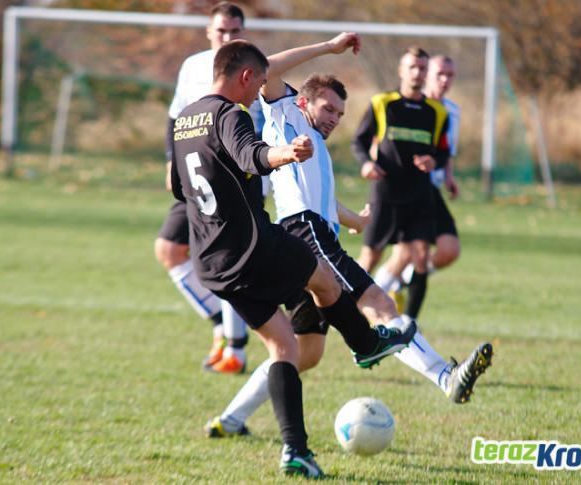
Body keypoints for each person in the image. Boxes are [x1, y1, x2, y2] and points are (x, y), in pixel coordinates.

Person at [203, 39, 493, 440]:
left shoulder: (313, 146)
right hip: (308, 236)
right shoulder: (285, 111)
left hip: (305, 235)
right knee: (379, 304)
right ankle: (446, 377)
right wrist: (330, 47)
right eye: (328, 108)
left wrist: (354, 219)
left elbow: (317, 196)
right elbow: (267, 65)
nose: (335, 118)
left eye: (340, 113)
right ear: (303, 102)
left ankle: (230, 418)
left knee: (305, 352)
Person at [170, 39, 416, 478]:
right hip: (249, 244)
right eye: (257, 82)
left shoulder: (186, 119)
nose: (259, 90)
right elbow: (254, 155)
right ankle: (366, 343)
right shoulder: (229, 113)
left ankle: (296, 451)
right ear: (245, 78)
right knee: (322, 278)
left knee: (284, 346)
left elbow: (177, 184)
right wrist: (286, 153)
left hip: (212, 261)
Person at [156, 2, 256, 374]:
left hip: (237, 182)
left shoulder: (257, 66)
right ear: (209, 32)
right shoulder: (194, 66)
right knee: (169, 249)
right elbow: (175, 116)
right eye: (222, 32)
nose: (228, 38)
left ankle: (237, 350)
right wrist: (171, 160)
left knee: (229, 263)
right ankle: (221, 326)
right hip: (197, 177)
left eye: (235, 31)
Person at [353, 46, 449, 323]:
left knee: (420, 257)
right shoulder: (382, 103)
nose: (417, 73)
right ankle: (346, 314)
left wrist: (434, 162)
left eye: (422, 68)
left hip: (419, 194)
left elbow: (443, 150)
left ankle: (410, 325)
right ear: (401, 71)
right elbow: (358, 140)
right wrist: (366, 163)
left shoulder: (436, 112)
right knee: (369, 258)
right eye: (412, 67)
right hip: (386, 192)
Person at [374, 55, 461, 312]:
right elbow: (380, 140)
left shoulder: (451, 111)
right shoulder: (406, 104)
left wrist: (449, 176)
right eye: (439, 74)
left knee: (448, 250)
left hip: (430, 189)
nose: (444, 80)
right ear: (425, 74)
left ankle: (399, 287)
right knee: (403, 254)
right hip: (404, 189)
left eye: (450, 75)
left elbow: (446, 149)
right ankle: (371, 304)